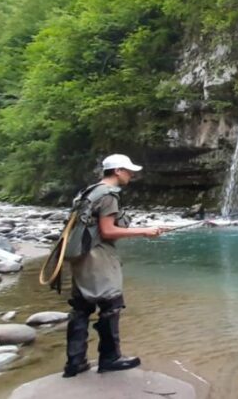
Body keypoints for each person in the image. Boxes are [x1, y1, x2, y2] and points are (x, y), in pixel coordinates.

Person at [63, 154, 167, 377]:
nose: (132, 174)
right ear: (118, 171)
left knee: (81, 306)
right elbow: (108, 231)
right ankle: (110, 358)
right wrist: (145, 232)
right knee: (111, 303)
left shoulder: (88, 191)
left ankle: (75, 362)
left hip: (79, 254)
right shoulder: (109, 195)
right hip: (97, 255)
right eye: (129, 171)